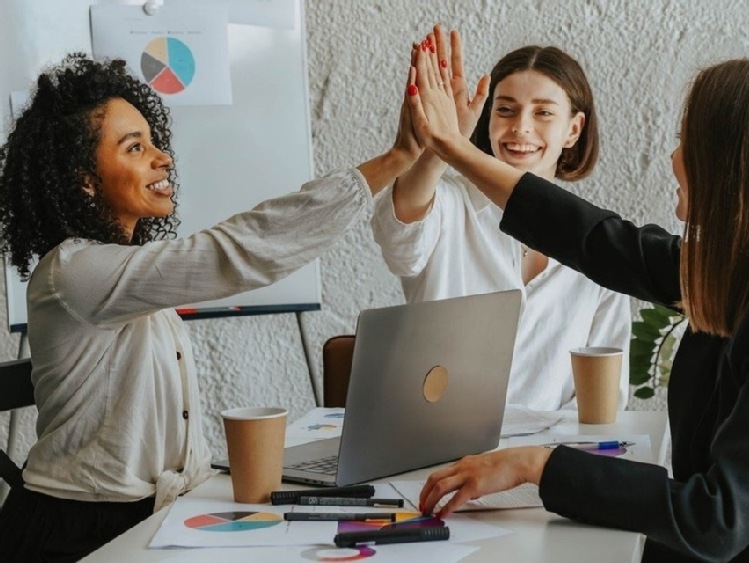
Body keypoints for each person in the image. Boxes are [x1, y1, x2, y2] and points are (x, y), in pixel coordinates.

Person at [0, 53, 422, 562]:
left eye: (154, 142)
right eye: (135, 148)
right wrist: (396, 158)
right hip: (77, 531)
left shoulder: (129, 275)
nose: (163, 158)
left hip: (153, 516)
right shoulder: (74, 272)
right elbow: (232, 252)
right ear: (84, 179)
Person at [410, 27, 749, 562]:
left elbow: (716, 520)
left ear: (731, 165)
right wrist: (452, 147)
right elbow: (594, 239)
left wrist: (535, 465)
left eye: (690, 139)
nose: (675, 155)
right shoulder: (727, 269)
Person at [371, 27, 630, 411]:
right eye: (505, 109)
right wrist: (444, 143)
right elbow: (398, 233)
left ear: (573, 130)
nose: (521, 127)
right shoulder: (447, 203)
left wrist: (544, 464)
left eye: (543, 112)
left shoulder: (598, 240)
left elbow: (604, 397)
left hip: (544, 460)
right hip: (438, 452)